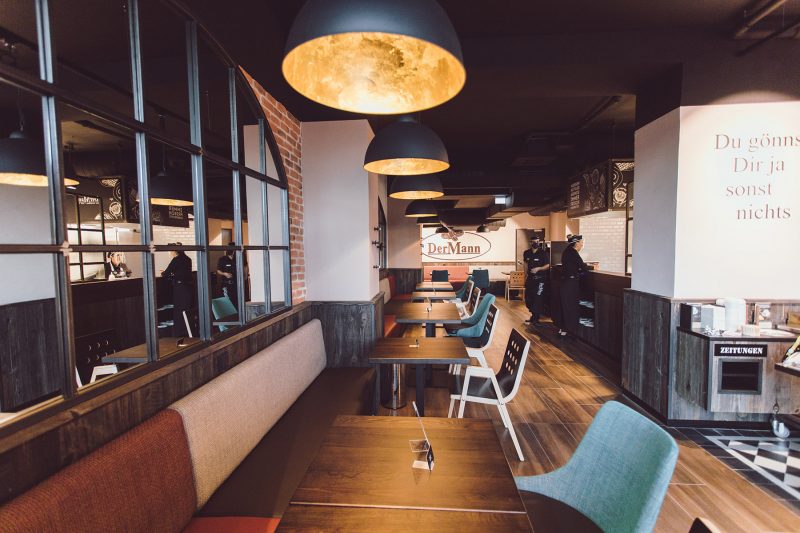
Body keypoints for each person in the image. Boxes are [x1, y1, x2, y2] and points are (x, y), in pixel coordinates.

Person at [558, 234, 590, 337]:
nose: (582, 245)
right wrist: (589, 268)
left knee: (565, 305)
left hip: (565, 282)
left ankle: (563, 328)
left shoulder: (567, 251)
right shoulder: (573, 253)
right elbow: (583, 267)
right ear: (576, 243)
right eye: (581, 243)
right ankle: (570, 330)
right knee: (570, 306)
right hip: (570, 283)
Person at [161, 244, 193, 337]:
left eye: (170, 251)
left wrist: (164, 273)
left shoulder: (176, 260)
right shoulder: (188, 259)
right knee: (186, 310)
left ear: (174, 251)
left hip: (180, 288)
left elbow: (166, 274)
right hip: (188, 287)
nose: (170, 253)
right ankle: (188, 331)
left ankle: (179, 333)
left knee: (179, 310)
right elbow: (183, 272)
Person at [523, 236, 550, 325]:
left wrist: (538, 268)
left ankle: (536, 318)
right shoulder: (526, 253)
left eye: (537, 241)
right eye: (534, 242)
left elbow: (547, 265)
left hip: (540, 280)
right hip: (530, 279)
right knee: (528, 298)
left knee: (537, 299)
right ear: (530, 242)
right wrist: (525, 276)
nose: (536, 243)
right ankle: (533, 315)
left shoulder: (543, 253)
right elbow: (525, 265)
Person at [216, 244, 238, 309]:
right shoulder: (222, 259)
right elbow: (218, 270)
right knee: (228, 301)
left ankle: (238, 313)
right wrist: (224, 273)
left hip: (236, 284)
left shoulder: (238, 258)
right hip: (226, 284)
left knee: (237, 301)